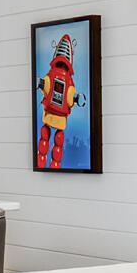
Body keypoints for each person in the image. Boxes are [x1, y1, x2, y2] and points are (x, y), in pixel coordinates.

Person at [36, 30, 82, 169]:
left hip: (49, 116)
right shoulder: (69, 85)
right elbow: (70, 100)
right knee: (57, 145)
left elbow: (44, 85)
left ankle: (42, 167)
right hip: (59, 120)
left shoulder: (49, 78)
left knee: (44, 143)